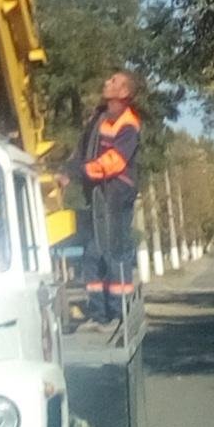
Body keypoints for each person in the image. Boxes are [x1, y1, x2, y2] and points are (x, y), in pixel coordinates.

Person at [77, 72, 142, 325]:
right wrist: (71, 172)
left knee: (114, 251)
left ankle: (118, 313)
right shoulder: (102, 117)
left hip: (116, 191)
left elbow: (114, 162)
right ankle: (99, 313)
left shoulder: (128, 123)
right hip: (100, 192)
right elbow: (84, 149)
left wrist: (86, 170)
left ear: (125, 93)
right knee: (94, 253)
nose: (106, 82)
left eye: (114, 81)